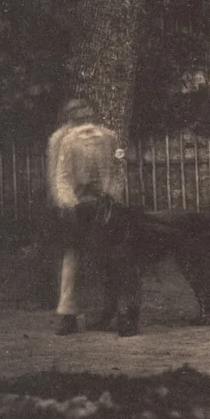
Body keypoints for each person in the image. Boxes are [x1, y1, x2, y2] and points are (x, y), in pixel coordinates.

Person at [49, 98, 140, 336]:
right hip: (80, 207)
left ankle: (119, 311)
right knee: (73, 256)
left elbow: (117, 165)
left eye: (89, 119)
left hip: (105, 206)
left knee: (117, 256)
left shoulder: (109, 138)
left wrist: (111, 198)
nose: (86, 127)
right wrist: (72, 205)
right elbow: (62, 177)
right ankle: (68, 313)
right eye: (81, 120)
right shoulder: (66, 141)